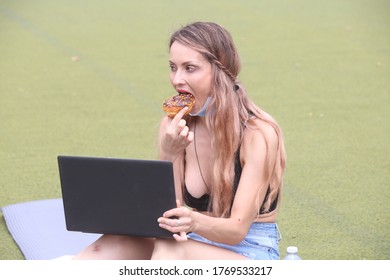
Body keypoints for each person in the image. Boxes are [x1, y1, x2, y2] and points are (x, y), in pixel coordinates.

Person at [73, 21, 286, 260]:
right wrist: (170, 152)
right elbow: (168, 211)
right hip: (193, 241)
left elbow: (236, 230)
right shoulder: (175, 126)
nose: (177, 80)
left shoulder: (258, 134)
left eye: (189, 68)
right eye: (173, 67)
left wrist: (193, 221)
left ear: (220, 72)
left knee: (170, 249)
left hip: (250, 250)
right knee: (112, 243)